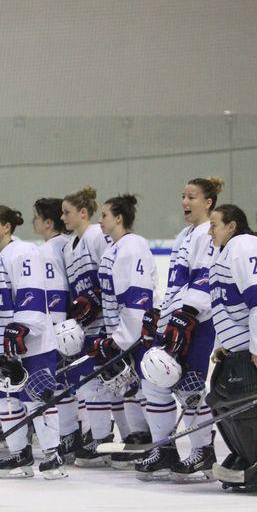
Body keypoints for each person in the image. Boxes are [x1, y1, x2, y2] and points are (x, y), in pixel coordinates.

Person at [167, 204, 257, 493]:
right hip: (248, 344)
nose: (210, 231)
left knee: (254, 400)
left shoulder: (245, 245)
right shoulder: (221, 253)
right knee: (223, 398)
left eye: (215, 224)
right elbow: (224, 307)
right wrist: (223, 345)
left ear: (231, 226)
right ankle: (252, 455)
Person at [142, 177, 221, 482]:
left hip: (198, 322)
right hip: (177, 319)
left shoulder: (208, 234)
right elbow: (176, 284)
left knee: (189, 387)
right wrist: (161, 314)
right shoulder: (183, 235)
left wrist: (188, 312)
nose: (185, 202)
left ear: (208, 202)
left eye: (192, 197)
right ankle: (165, 449)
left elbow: (205, 280)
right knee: (155, 382)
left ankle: (204, 451)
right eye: (183, 196)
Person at [86, 194, 166, 479]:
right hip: (123, 331)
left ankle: (155, 442)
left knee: (144, 387)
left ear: (119, 218)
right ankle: (138, 436)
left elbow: (136, 299)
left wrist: (120, 338)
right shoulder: (114, 250)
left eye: (105, 215)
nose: (100, 220)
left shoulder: (132, 246)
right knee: (128, 385)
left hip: (138, 333)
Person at [0, 204, 63, 479]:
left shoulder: (24, 251)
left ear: (7, 227)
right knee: (5, 401)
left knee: (35, 396)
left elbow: (31, 294)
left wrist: (22, 327)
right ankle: (20, 454)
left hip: (31, 341)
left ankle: (53, 455)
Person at [60, 186, 115, 467]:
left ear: (83, 213)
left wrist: (97, 300)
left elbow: (110, 274)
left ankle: (104, 437)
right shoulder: (71, 245)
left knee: (103, 383)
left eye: (67, 212)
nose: (63, 217)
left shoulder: (96, 236)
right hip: (88, 326)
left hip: (106, 322)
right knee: (88, 383)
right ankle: (97, 434)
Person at [32, 197, 82, 459]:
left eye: (37, 217)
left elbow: (55, 292)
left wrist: (55, 330)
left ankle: (69, 434)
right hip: (76, 324)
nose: (33, 222)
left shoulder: (48, 250)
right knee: (74, 382)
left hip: (61, 328)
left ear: (48, 222)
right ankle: (76, 432)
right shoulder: (67, 243)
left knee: (60, 382)